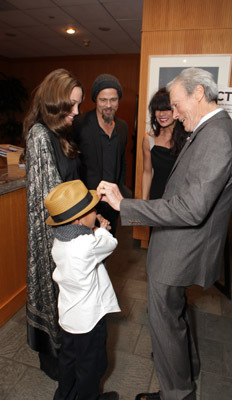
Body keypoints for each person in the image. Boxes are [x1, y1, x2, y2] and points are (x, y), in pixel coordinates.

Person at [97, 68, 232, 400]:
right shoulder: (216, 130)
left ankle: (176, 393)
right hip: (183, 246)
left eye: (178, 105)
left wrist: (127, 206)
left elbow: (192, 208)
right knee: (175, 315)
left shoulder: (218, 136)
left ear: (197, 95)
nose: (175, 115)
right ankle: (187, 372)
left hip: (180, 250)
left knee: (164, 322)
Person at [23, 68, 84, 380]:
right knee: (56, 302)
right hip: (54, 241)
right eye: (71, 105)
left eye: (77, 105)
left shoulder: (60, 132)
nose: (76, 112)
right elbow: (52, 198)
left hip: (70, 235)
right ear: (53, 102)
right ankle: (59, 370)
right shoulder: (39, 135)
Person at [44, 179, 120, 400]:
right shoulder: (87, 245)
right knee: (92, 365)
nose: (96, 211)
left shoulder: (60, 241)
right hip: (90, 320)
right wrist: (101, 229)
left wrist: (92, 227)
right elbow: (110, 244)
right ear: (78, 219)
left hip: (68, 317)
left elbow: (84, 237)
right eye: (92, 210)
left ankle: (64, 396)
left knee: (68, 361)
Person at [73, 73, 129, 236]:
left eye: (113, 99)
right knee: (88, 253)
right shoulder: (80, 124)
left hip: (112, 203)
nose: (108, 105)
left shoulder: (122, 126)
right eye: (103, 100)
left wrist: (121, 193)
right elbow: (73, 165)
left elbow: (122, 162)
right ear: (95, 100)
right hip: (87, 205)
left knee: (107, 246)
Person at [142, 87, 187, 200]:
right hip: (156, 198)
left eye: (166, 109)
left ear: (176, 110)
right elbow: (147, 173)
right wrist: (143, 203)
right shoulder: (149, 139)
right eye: (157, 109)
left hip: (180, 200)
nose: (162, 114)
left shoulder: (188, 138)